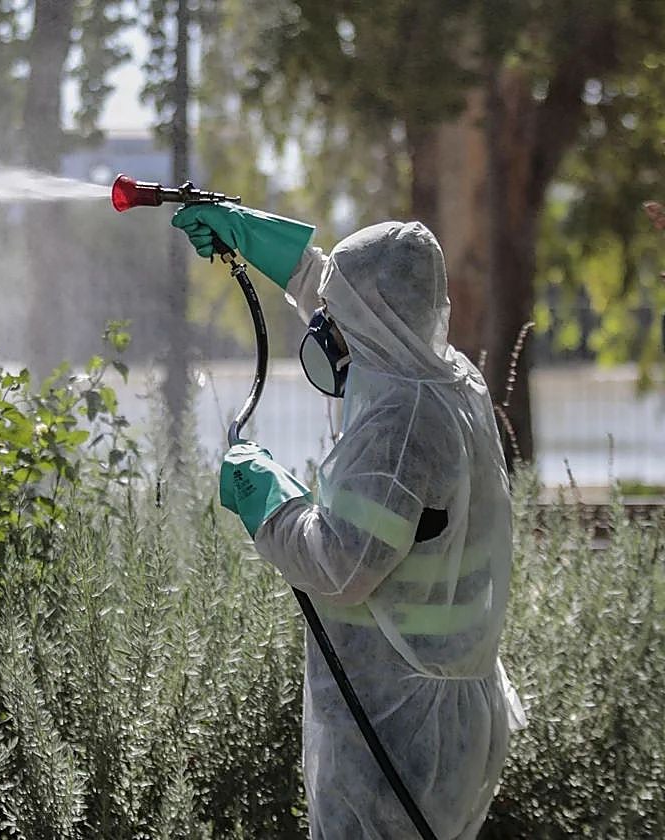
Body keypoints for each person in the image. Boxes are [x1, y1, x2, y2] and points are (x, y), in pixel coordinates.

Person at [172, 204, 526, 840]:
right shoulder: (449, 379)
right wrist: (243, 230)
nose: (325, 331)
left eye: (335, 320)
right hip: (443, 706)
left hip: (397, 725)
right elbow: (339, 291)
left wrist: (269, 502)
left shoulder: (398, 428)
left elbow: (339, 566)